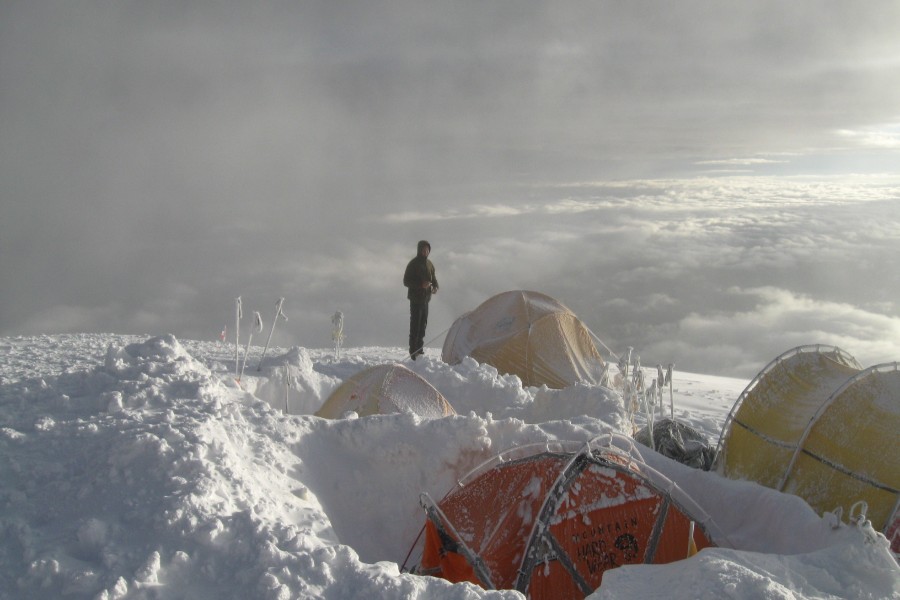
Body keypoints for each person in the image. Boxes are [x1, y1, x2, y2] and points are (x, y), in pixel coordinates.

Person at [403, 240, 438, 360]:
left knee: (423, 325)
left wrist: (435, 287)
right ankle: (413, 352)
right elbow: (406, 281)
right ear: (419, 250)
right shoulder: (413, 264)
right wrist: (420, 285)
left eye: (427, 249)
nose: (426, 251)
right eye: (423, 249)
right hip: (415, 299)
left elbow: (433, 278)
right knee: (415, 326)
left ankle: (420, 350)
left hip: (426, 299)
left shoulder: (429, 264)